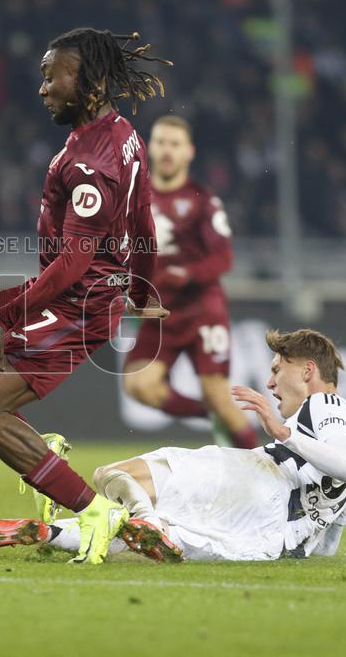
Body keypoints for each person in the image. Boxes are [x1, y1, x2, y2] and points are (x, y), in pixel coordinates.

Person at [0, 27, 173, 564]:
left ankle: (94, 513)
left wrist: (8, 318)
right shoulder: (122, 133)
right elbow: (144, 215)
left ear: (91, 83)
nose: (43, 88)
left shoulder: (90, 165)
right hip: (66, 293)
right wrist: (143, 286)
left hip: (75, 307)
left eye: (52, 75)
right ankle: (38, 450)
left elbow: (75, 262)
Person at [0, 328, 346, 562]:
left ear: (309, 370)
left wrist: (281, 432)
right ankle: (48, 532)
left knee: (109, 477)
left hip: (256, 484)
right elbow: (333, 528)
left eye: (278, 370)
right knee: (135, 533)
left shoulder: (326, 405)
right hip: (265, 543)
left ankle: (133, 517)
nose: (269, 382)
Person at [122, 115, 257, 448]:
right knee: (138, 384)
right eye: (161, 142)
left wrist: (186, 274)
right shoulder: (134, 198)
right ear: (150, 147)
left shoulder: (202, 200)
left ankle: (273, 470)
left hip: (202, 309)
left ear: (189, 153)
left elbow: (223, 257)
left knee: (218, 393)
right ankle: (211, 415)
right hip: (161, 313)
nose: (167, 151)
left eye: (175, 144)